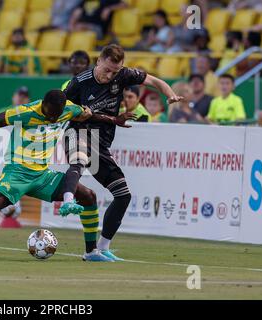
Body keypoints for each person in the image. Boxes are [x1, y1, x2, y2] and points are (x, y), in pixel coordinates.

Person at [0, 90, 129, 261]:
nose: (53, 118)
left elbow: (87, 115)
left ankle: (91, 251)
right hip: (16, 174)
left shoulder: (68, 109)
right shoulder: (24, 113)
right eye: (51, 114)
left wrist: (113, 119)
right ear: (43, 105)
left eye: (57, 115)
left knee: (88, 196)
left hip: (42, 176)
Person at [60, 44, 183, 261]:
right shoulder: (80, 82)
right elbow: (59, 107)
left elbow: (154, 81)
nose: (110, 76)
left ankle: (101, 249)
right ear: (98, 61)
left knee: (123, 195)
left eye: (115, 72)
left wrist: (170, 94)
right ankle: (68, 199)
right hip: (77, 133)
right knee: (79, 158)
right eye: (107, 70)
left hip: (101, 143)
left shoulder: (123, 75)